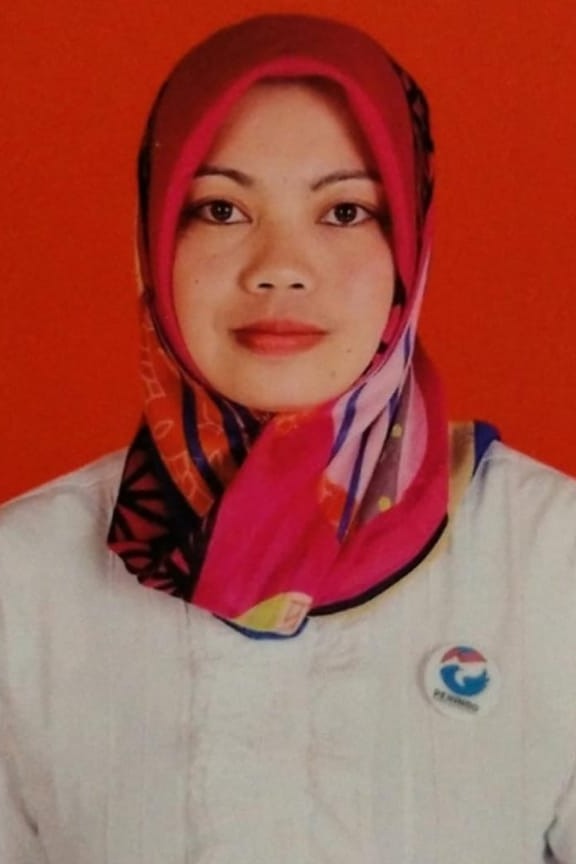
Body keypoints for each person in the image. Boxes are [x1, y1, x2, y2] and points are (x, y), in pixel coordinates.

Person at [1, 13, 575, 864]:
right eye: (221, 208)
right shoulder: (22, 581)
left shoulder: (551, 560)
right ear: (154, 239)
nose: (279, 266)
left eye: (344, 210)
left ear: (408, 248)